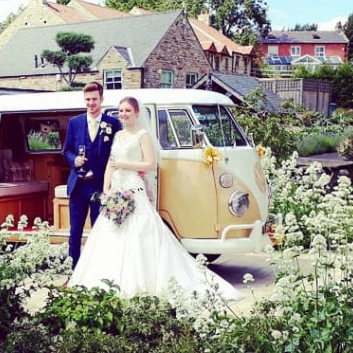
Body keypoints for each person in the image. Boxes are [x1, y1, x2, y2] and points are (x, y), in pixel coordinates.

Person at [69, 96, 242, 303]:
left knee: (141, 234)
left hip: (133, 189)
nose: (123, 115)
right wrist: (106, 191)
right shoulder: (117, 135)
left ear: (136, 113)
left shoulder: (142, 136)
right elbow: (110, 164)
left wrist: (125, 164)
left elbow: (150, 164)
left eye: (127, 111)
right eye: (121, 111)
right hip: (116, 190)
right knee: (110, 236)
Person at [63, 81, 122, 268]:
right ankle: (74, 270)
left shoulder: (113, 123)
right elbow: (66, 151)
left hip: (100, 185)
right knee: (75, 231)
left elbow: (118, 153)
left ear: (102, 99)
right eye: (87, 99)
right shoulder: (74, 122)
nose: (91, 103)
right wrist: (74, 160)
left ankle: (97, 269)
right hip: (79, 185)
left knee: (99, 230)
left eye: (94, 99)